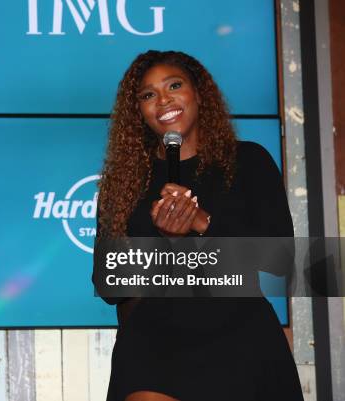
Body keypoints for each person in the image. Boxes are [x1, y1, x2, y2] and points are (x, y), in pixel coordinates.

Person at [95, 51, 304, 401]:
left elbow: (280, 262)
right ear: (139, 113)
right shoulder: (124, 181)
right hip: (155, 342)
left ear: (200, 93)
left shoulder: (249, 161)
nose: (163, 100)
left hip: (240, 333)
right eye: (148, 95)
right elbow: (109, 286)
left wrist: (202, 223)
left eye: (174, 85)